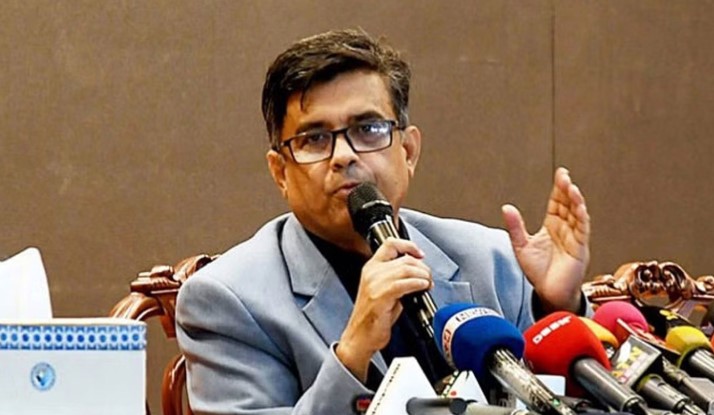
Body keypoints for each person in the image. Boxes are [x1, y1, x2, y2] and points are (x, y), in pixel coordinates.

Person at [175, 28, 591, 415]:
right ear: (281, 172)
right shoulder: (228, 300)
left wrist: (557, 307)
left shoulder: (494, 262)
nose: (344, 156)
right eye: (314, 138)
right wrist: (352, 353)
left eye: (368, 129)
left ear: (408, 152)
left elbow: (563, 401)